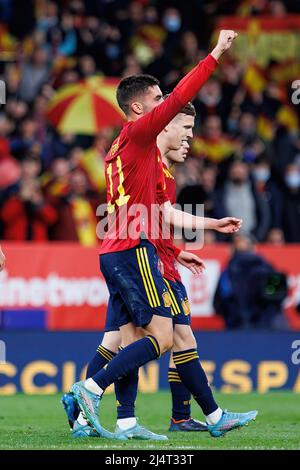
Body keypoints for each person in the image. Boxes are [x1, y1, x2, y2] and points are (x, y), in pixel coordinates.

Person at [70, 30, 256, 439]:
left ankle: (122, 420)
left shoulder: (130, 151)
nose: (165, 108)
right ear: (138, 108)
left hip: (120, 247)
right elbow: (177, 100)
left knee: (126, 337)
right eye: (158, 101)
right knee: (162, 335)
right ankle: (89, 390)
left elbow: (162, 211)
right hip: (134, 248)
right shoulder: (138, 135)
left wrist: (201, 232)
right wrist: (215, 54)